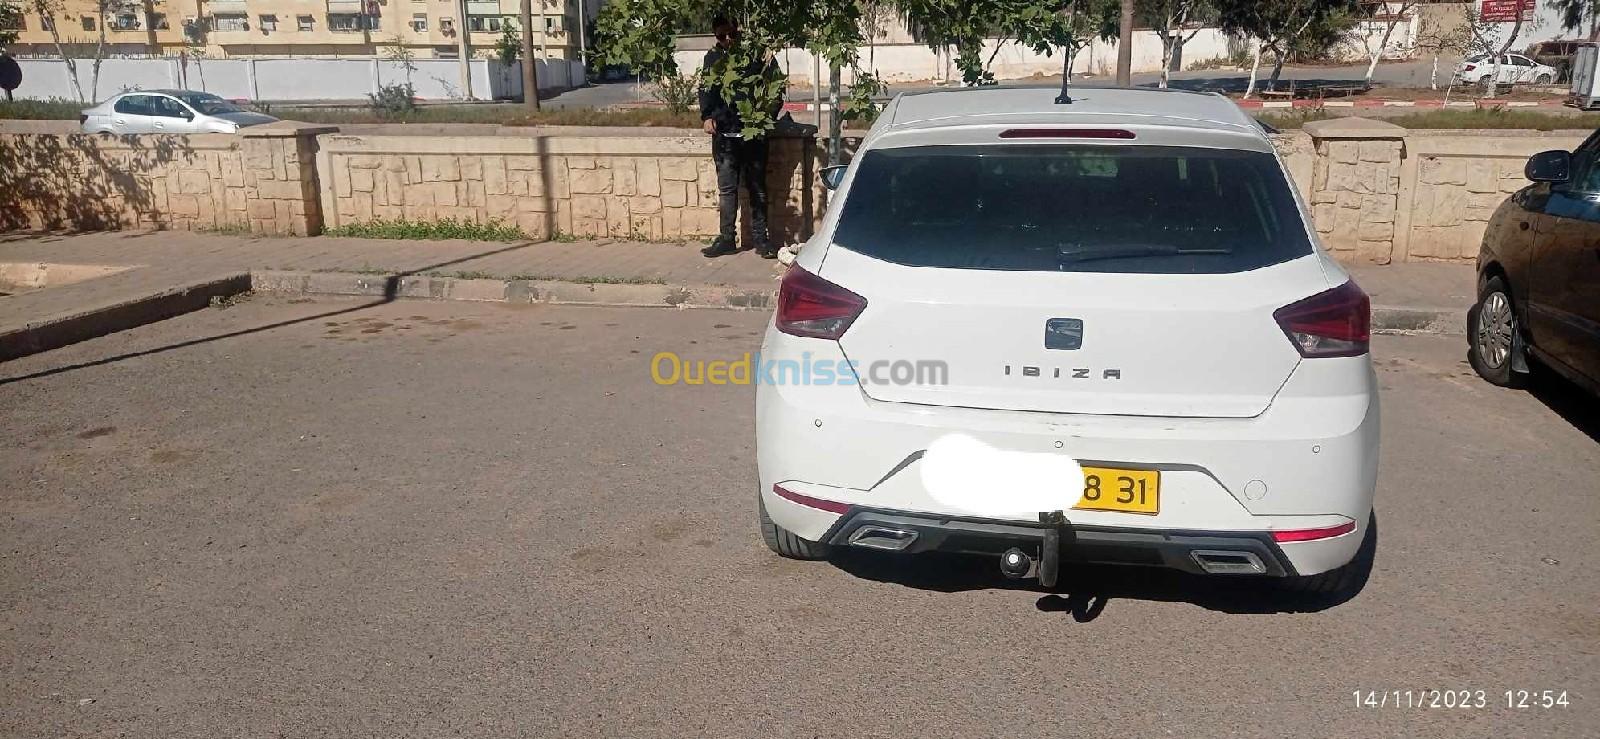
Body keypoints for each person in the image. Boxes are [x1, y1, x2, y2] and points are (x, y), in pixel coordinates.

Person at [698, 16, 782, 259]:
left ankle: (761, 240)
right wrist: (706, 116)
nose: (726, 41)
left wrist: (766, 118)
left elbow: (776, 87)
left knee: (757, 188)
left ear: (739, 31)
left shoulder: (758, 54)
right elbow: (705, 90)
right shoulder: (712, 59)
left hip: (753, 135)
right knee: (727, 190)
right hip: (725, 137)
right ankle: (726, 239)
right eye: (721, 36)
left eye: (731, 35)